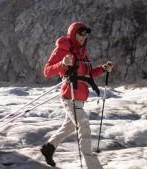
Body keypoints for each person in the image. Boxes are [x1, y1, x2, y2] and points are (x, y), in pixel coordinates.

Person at [41, 22, 113, 168]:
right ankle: (93, 166)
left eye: (86, 33)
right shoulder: (63, 49)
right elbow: (47, 71)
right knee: (84, 124)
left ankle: (48, 148)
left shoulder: (82, 52)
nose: (84, 36)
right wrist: (62, 64)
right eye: (81, 33)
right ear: (73, 33)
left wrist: (103, 69)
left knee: (69, 127)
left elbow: (88, 74)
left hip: (80, 97)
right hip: (70, 96)